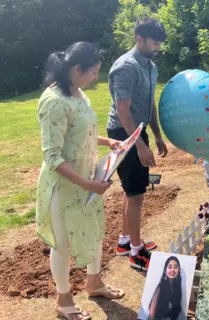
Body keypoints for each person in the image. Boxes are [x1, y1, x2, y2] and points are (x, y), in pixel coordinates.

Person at [36, 42, 125, 320]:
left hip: (88, 180)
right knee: (62, 243)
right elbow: (52, 155)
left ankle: (94, 282)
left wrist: (107, 140)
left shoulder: (78, 93)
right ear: (76, 69)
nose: (95, 77)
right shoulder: (54, 102)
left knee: (95, 231)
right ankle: (64, 301)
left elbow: (82, 132)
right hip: (63, 187)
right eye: (93, 72)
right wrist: (88, 185)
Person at [107, 18, 169, 271]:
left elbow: (149, 103)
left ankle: (125, 241)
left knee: (131, 191)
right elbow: (123, 110)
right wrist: (139, 145)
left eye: (160, 43)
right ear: (139, 38)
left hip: (139, 130)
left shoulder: (150, 66)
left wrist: (155, 135)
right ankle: (136, 252)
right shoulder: (126, 67)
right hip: (124, 131)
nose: (157, 47)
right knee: (137, 195)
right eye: (154, 42)